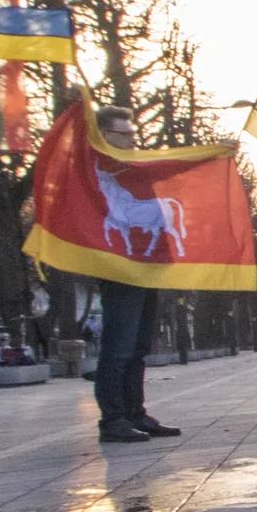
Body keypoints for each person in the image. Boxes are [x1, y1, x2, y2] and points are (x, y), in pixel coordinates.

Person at [90, 105, 181, 443]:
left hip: (146, 264)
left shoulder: (137, 169)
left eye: (133, 133)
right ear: (104, 136)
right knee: (119, 347)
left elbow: (176, 170)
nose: (132, 139)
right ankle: (112, 419)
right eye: (123, 134)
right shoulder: (94, 170)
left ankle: (134, 412)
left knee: (139, 346)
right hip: (119, 267)